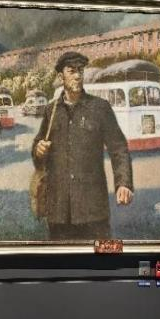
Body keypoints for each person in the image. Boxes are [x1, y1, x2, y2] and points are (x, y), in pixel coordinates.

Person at [32, 51, 134, 240]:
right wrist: (38, 150)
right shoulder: (50, 111)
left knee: (101, 256)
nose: (78, 76)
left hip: (93, 211)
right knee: (60, 257)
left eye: (80, 70)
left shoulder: (100, 108)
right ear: (61, 77)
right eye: (72, 71)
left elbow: (119, 148)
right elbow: (38, 150)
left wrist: (124, 183)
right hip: (59, 212)